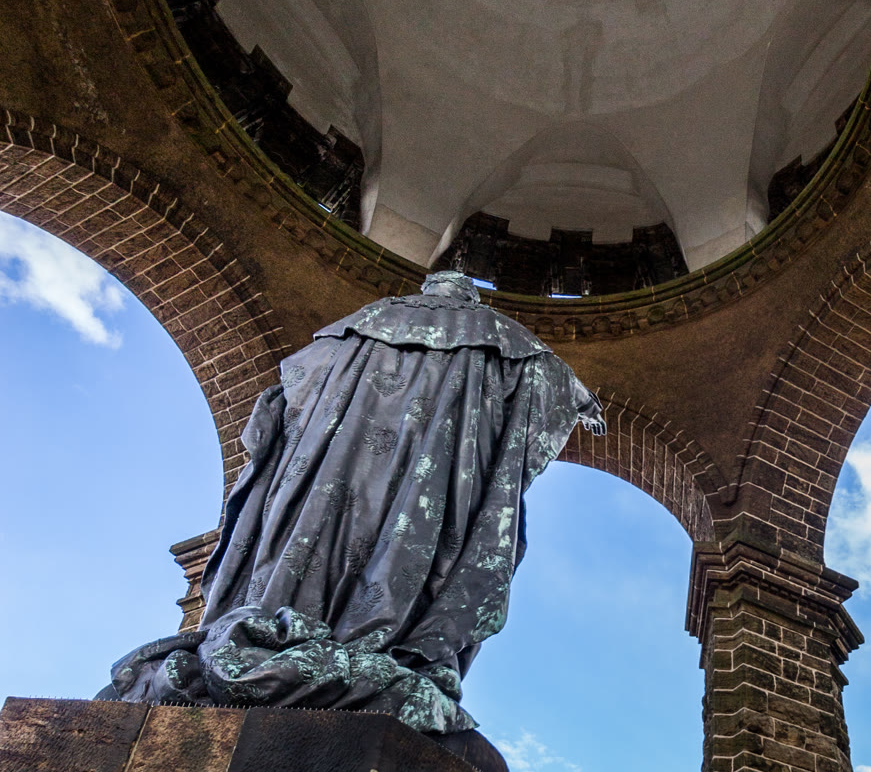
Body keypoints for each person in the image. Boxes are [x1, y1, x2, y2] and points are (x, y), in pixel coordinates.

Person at [101, 270, 604, 735]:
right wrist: (581, 401)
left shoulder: (365, 321)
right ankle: (377, 640)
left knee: (312, 539)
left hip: (332, 471)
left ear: (428, 289)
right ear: (469, 297)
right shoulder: (497, 334)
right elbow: (547, 380)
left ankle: (288, 622)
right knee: (406, 553)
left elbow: (293, 385)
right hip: (426, 479)